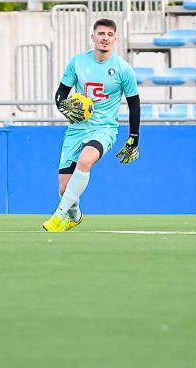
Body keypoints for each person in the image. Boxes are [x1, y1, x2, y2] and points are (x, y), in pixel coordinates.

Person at [43, 18, 141, 232]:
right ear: (93, 37)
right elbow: (61, 94)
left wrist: (134, 137)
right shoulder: (78, 62)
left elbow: (134, 103)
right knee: (64, 188)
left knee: (85, 161)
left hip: (104, 129)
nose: (104, 38)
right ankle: (75, 216)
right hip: (77, 129)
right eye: (101, 34)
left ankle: (58, 216)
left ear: (115, 39)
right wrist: (64, 108)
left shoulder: (123, 69)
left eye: (109, 35)